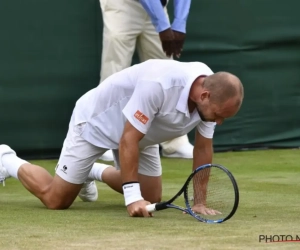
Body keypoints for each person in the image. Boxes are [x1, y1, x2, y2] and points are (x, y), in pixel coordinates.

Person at [0, 59, 244, 217]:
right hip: (97, 123)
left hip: (143, 133)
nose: (218, 122)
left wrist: (199, 202)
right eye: (218, 116)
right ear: (204, 95)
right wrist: (132, 198)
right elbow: (127, 139)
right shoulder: (159, 84)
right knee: (56, 200)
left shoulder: (212, 95)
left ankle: (90, 171)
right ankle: (7, 160)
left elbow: (202, 149)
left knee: (152, 196)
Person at [99, 0, 193, 161]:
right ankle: (102, 141)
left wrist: (179, 24)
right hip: (122, 5)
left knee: (167, 71)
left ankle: (174, 143)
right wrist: (163, 26)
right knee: (114, 71)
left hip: (159, 6)